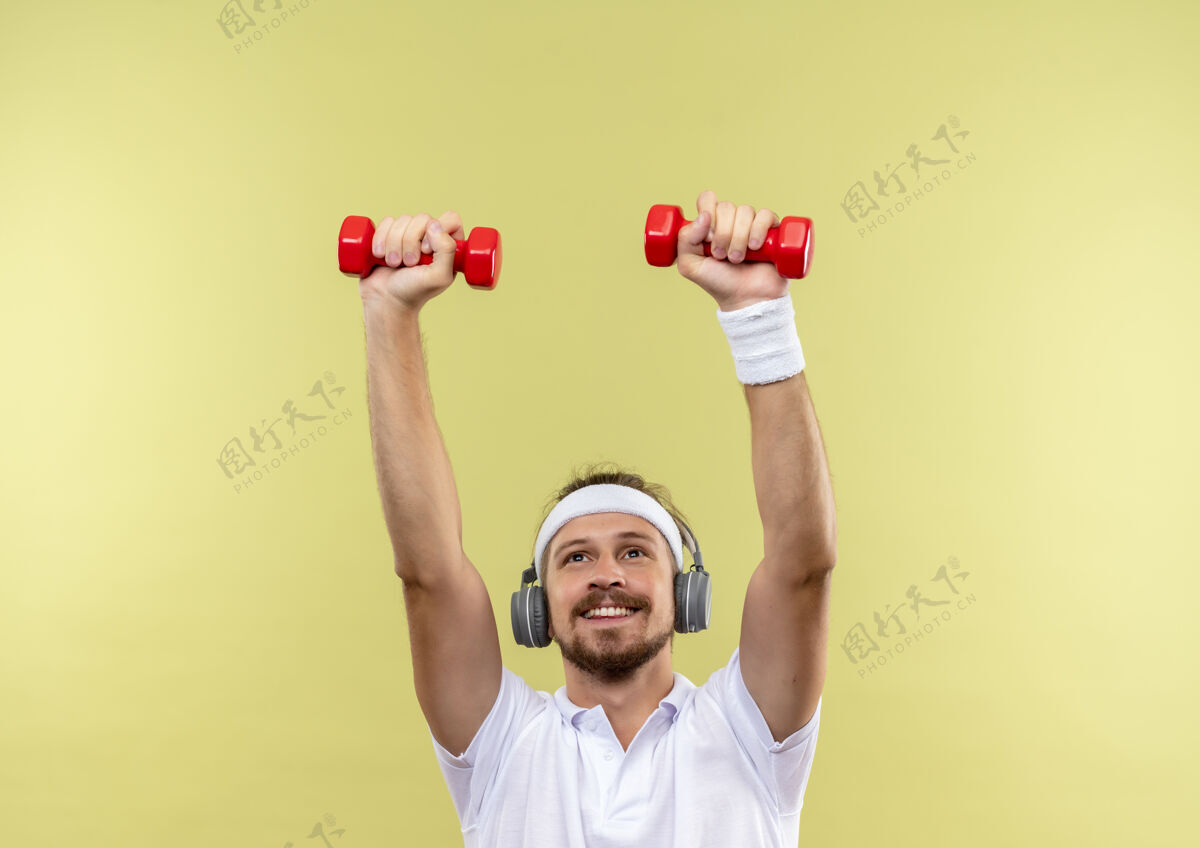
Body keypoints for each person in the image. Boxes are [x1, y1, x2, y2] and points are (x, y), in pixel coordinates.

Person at [360, 190, 836, 847]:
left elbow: (801, 567)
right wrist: (388, 312)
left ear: (685, 592)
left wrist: (758, 317)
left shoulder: (747, 731)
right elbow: (429, 574)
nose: (605, 575)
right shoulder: (502, 746)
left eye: (636, 551)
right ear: (536, 605)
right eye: (576, 556)